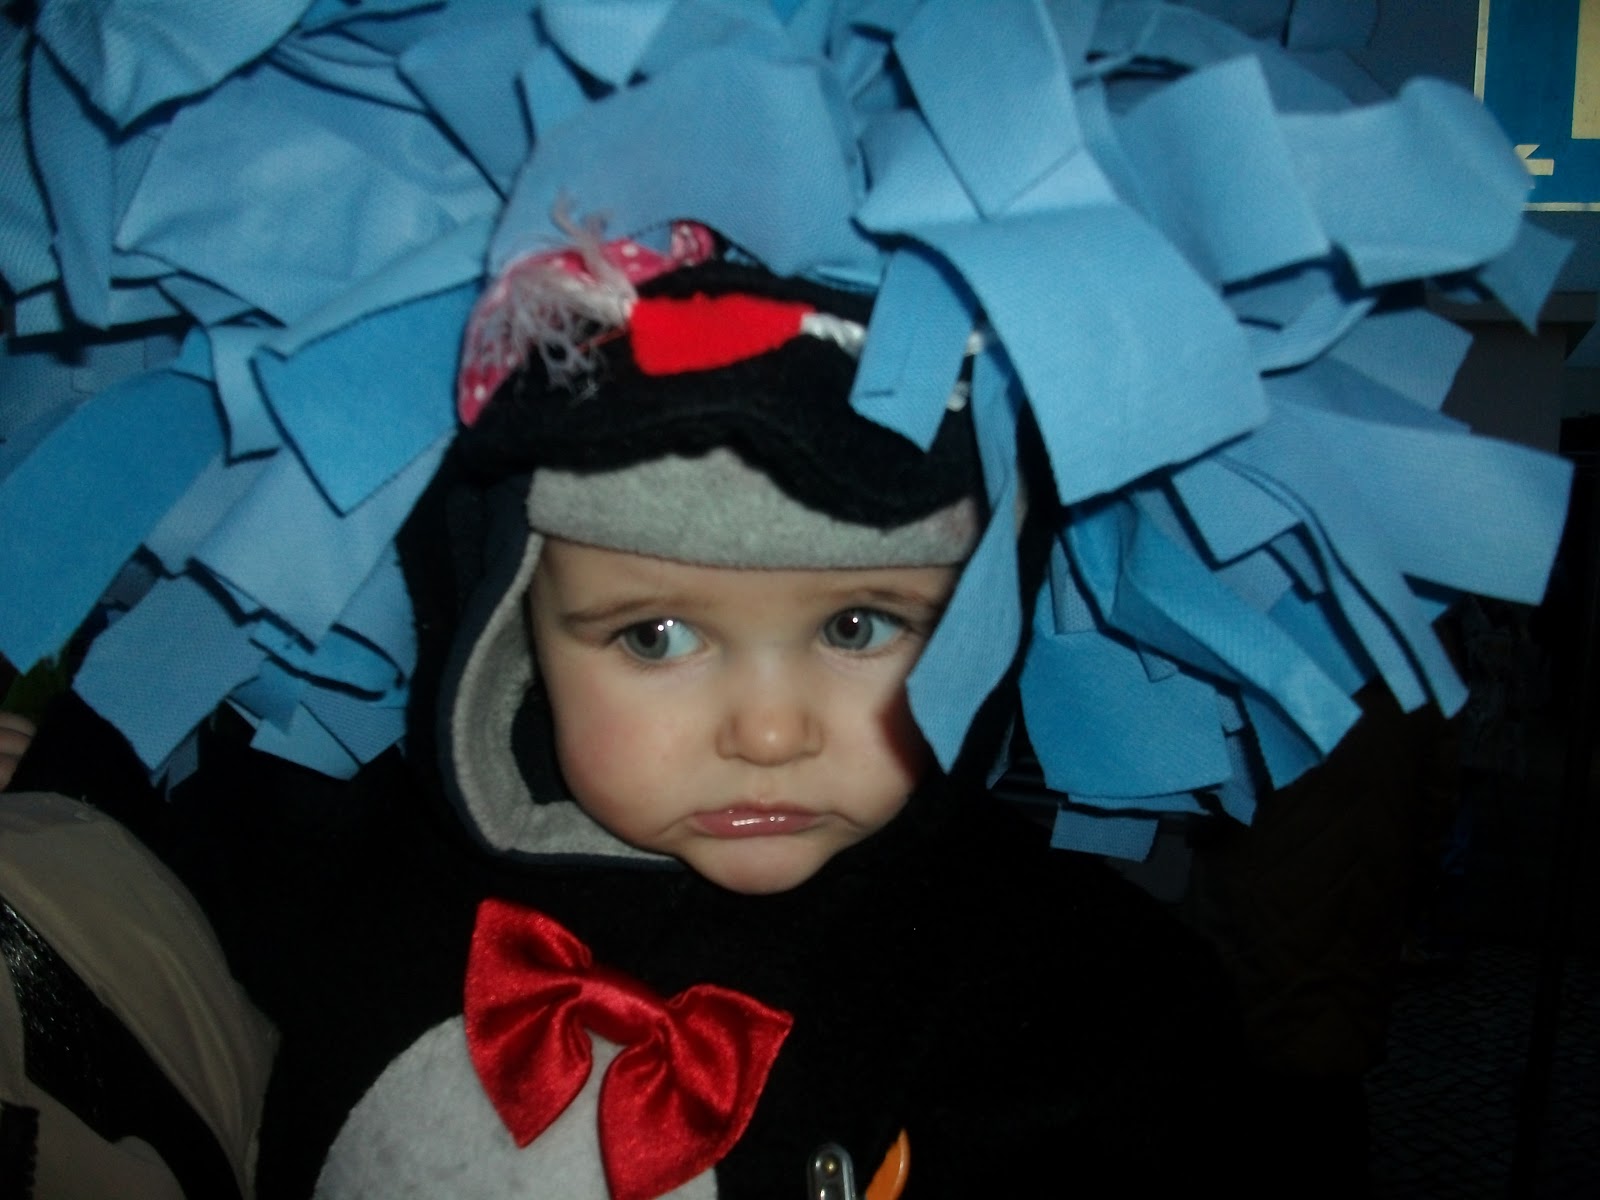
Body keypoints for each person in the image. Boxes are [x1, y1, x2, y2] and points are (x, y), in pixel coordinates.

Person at [278, 245, 1256, 1200]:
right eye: (655, 636)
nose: (771, 736)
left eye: (858, 626)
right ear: (508, 631)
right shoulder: (354, 887)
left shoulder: (1079, 1006)